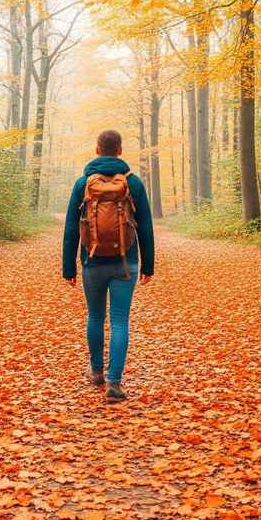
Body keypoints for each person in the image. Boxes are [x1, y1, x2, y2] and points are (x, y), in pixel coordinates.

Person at [62, 129, 155, 403]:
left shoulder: (83, 184)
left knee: (94, 317)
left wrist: (69, 268)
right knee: (119, 321)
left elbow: (70, 229)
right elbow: (146, 227)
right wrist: (148, 265)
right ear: (120, 150)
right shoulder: (133, 183)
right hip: (127, 263)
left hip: (92, 262)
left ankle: (96, 372)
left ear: (97, 149)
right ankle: (114, 383)